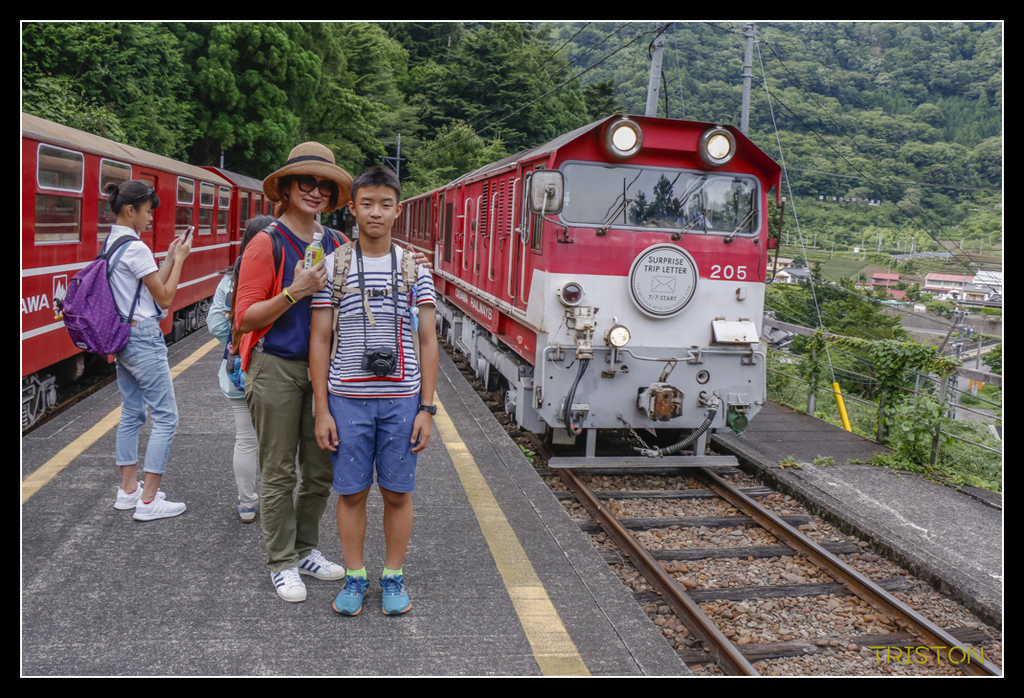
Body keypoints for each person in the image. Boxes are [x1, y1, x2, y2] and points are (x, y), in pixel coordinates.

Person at [310, 166, 439, 616]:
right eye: (367, 204)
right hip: (347, 400)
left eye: (385, 204)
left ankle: (393, 576)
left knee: (398, 493)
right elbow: (321, 339)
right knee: (351, 493)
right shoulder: (332, 268)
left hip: (402, 402)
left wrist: (427, 407)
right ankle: (354, 577)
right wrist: (321, 410)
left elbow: (428, 340)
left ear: (398, 210)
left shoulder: (413, 269)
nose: (376, 212)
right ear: (353, 209)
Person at [234, 142, 353, 602]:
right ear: (284, 188)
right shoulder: (267, 242)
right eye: (306, 181)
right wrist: (294, 292)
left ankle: (305, 549)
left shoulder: (339, 244)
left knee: (321, 469)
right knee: (280, 470)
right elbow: (244, 317)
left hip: (327, 372)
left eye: (325, 184)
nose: (316, 190)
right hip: (277, 367)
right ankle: (281, 561)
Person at [107, 180, 192, 521]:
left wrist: (170, 256)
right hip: (143, 337)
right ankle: (149, 500)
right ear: (130, 210)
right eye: (147, 212)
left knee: (131, 413)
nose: (150, 219)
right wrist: (182, 260)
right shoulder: (136, 247)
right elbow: (166, 299)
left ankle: (128, 491)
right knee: (166, 417)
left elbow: (148, 287)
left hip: (122, 337)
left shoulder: (113, 242)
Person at [206, 215, 274, 523]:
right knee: (276, 443)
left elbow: (214, 324)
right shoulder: (281, 278)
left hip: (236, 370)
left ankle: (247, 504)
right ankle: (277, 505)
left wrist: (236, 340)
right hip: (273, 369)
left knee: (245, 440)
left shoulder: (230, 280)